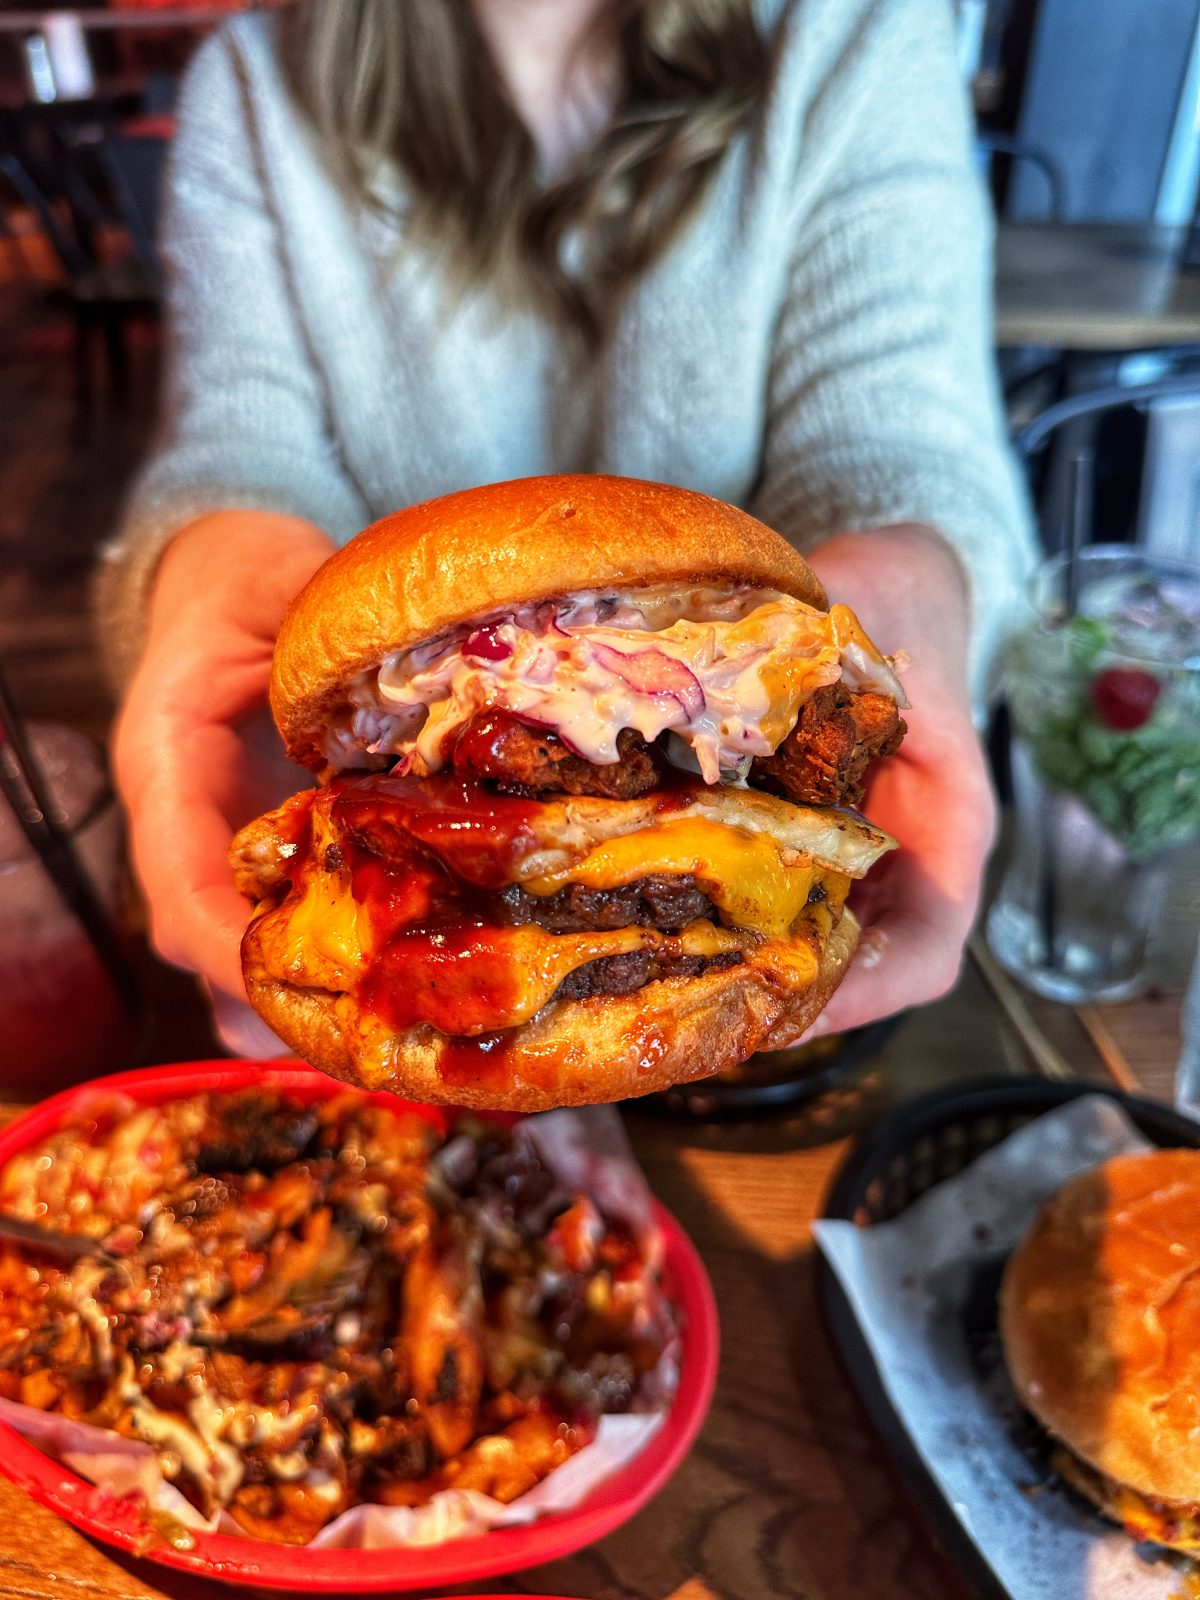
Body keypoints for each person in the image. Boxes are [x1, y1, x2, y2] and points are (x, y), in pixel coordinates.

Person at [100, 0, 1036, 1057]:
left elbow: (891, 421)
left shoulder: (854, 30)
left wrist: (907, 579)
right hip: (386, 891)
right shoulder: (258, 81)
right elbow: (243, 432)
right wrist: (213, 558)